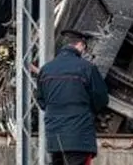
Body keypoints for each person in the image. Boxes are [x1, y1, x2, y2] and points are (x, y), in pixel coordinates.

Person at [36, 29, 110, 165]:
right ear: (80, 45)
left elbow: (41, 100)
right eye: (85, 48)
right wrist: (89, 111)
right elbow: (101, 98)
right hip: (79, 135)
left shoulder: (46, 69)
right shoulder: (87, 68)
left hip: (55, 136)